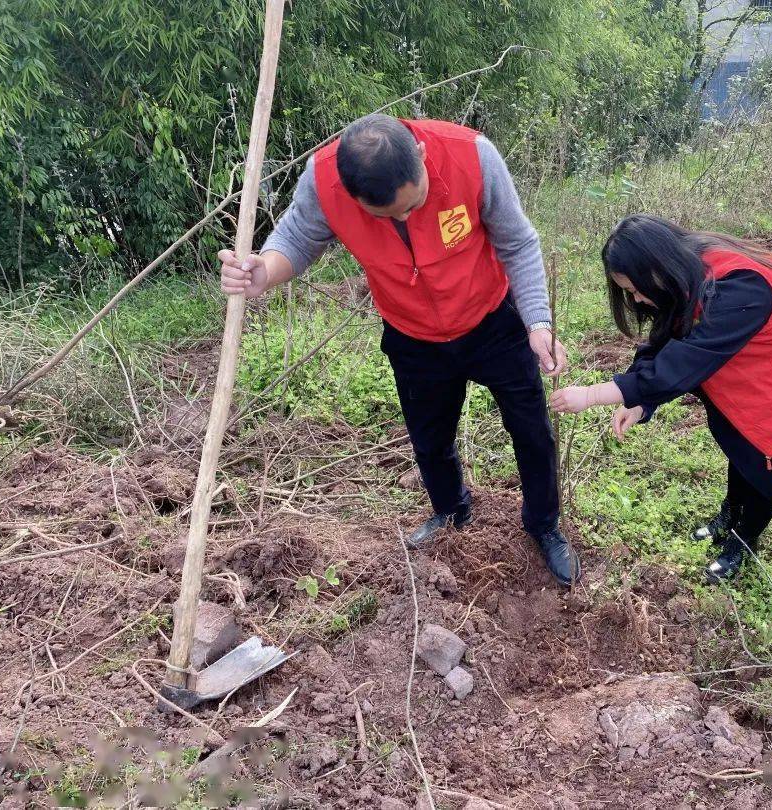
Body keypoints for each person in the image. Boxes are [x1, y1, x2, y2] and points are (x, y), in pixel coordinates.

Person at [219, 114, 581, 586]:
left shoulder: (471, 155)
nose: (407, 219)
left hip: (492, 319)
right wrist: (262, 272)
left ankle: (544, 526)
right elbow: (296, 239)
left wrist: (537, 322)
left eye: (414, 203)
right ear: (354, 198)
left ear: (424, 157)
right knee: (430, 439)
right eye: (389, 215)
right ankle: (450, 512)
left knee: (532, 432)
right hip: (413, 335)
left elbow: (518, 240)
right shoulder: (324, 179)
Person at [550, 214, 772, 583]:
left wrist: (593, 394)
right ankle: (730, 514)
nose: (636, 298)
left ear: (655, 267)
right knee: (741, 447)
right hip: (766, 364)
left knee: (764, 462)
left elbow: (684, 359)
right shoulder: (686, 271)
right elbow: (667, 337)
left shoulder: (741, 287)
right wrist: (641, 400)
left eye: (635, 289)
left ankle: (744, 540)